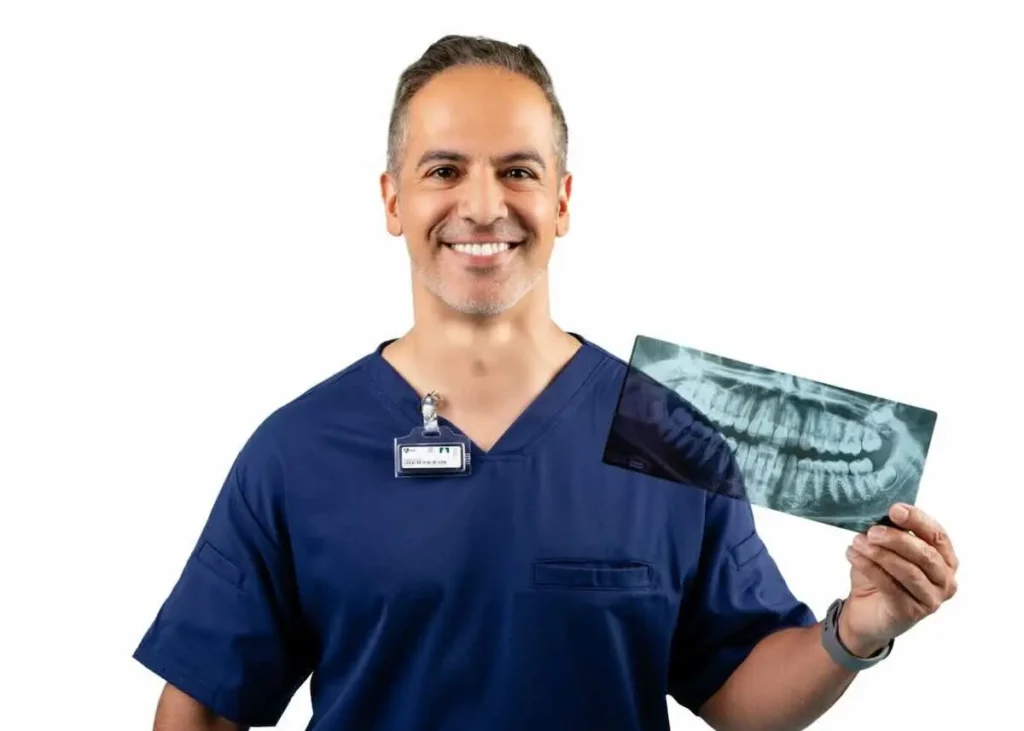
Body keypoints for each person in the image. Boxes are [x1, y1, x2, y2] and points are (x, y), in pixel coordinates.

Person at [133, 35, 959, 731]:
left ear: (563, 201)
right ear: (393, 199)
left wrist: (858, 628)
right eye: (445, 169)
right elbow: (203, 709)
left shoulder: (667, 432)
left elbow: (737, 688)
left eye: (519, 171)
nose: (484, 205)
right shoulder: (298, 452)